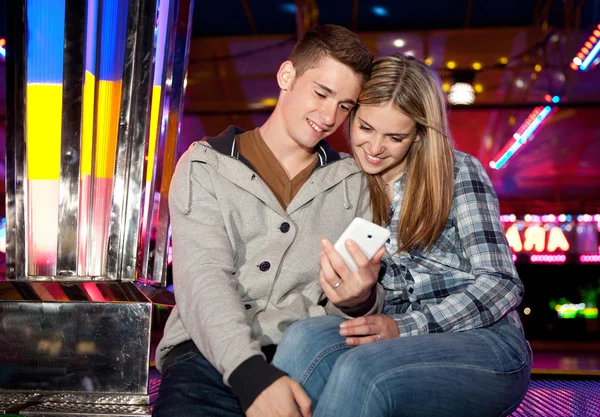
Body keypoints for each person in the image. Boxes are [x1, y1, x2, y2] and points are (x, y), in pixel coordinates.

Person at [272, 54, 532, 417]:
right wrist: (355, 299)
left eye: (395, 137)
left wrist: (405, 327)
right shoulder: (348, 184)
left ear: (419, 134)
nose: (375, 148)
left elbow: (503, 284)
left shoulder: (457, 172)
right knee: (302, 339)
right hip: (389, 339)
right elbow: (364, 304)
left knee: (364, 369)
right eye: (365, 128)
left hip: (486, 343)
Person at [152, 25, 386, 417]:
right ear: (287, 76)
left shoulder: (355, 182)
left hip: (306, 353)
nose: (329, 116)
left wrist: (361, 299)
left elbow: (360, 301)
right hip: (204, 356)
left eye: (345, 105)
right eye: (321, 93)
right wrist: (250, 375)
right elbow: (204, 278)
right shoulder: (205, 165)